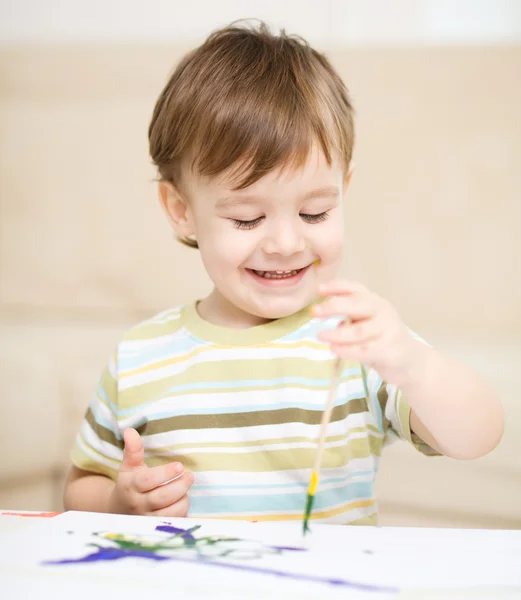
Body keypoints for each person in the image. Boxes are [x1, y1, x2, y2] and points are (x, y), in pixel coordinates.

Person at [63, 22, 503, 525]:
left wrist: (412, 364)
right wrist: (121, 503)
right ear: (181, 208)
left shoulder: (359, 345)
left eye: (314, 212)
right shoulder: (140, 357)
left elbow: (480, 435)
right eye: (248, 218)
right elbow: (80, 488)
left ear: (344, 190)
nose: (286, 243)